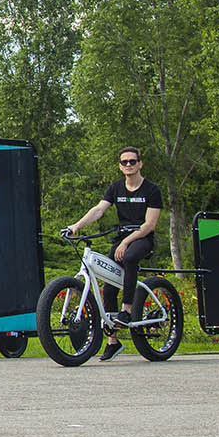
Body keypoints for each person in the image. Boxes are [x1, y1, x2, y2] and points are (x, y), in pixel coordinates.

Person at [64, 147, 163, 362]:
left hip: (142, 239)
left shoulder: (151, 190)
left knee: (128, 258)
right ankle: (113, 342)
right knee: (108, 288)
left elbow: (150, 224)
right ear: (120, 166)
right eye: (124, 162)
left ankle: (127, 310)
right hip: (121, 239)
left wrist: (127, 242)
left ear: (140, 163)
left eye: (132, 161)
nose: (128, 165)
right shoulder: (116, 188)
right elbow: (99, 210)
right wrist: (77, 226)